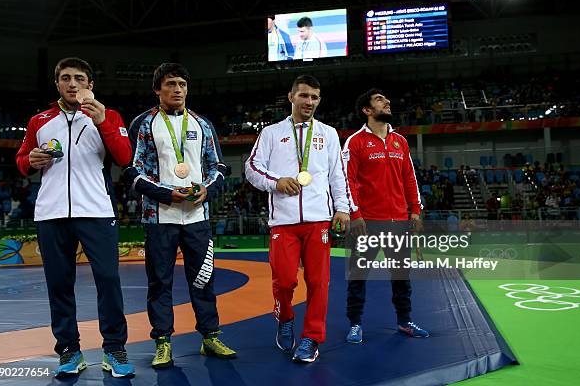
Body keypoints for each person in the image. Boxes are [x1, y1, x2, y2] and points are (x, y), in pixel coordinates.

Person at [15, 57, 135, 378]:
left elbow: (125, 157)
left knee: (108, 280)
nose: (72, 84)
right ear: (57, 84)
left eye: (79, 79)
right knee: (59, 284)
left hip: (96, 210)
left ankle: (114, 348)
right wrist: (31, 160)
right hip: (51, 213)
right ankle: (69, 350)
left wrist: (103, 122)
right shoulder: (39, 121)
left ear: (90, 85)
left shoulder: (108, 115)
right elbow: (21, 159)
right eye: (66, 78)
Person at [125, 63, 235, 369]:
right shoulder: (144, 124)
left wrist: (206, 191)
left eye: (182, 84)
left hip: (197, 216)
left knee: (203, 279)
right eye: (171, 84)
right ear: (157, 89)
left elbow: (219, 168)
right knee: (159, 283)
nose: (177, 89)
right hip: (159, 218)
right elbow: (132, 170)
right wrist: (166, 193)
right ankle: (163, 342)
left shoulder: (202, 124)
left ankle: (210, 337)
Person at [245, 75, 350, 363]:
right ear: (291, 97)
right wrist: (276, 182)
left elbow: (336, 175)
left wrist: (342, 208)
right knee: (284, 282)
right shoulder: (270, 133)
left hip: (318, 221)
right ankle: (286, 316)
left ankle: (312, 338)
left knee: (319, 281)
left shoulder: (328, 133)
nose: (309, 102)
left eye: (315, 97)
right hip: (283, 222)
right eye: (304, 95)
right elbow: (251, 168)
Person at [343, 88, 429, 344]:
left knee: (401, 275)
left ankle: (404, 321)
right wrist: (355, 214)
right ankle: (355, 324)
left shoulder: (400, 141)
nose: (388, 101)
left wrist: (415, 210)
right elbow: (347, 181)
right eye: (380, 100)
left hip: (399, 222)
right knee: (358, 276)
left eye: (386, 99)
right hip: (366, 223)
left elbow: (409, 178)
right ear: (367, 111)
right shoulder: (355, 142)